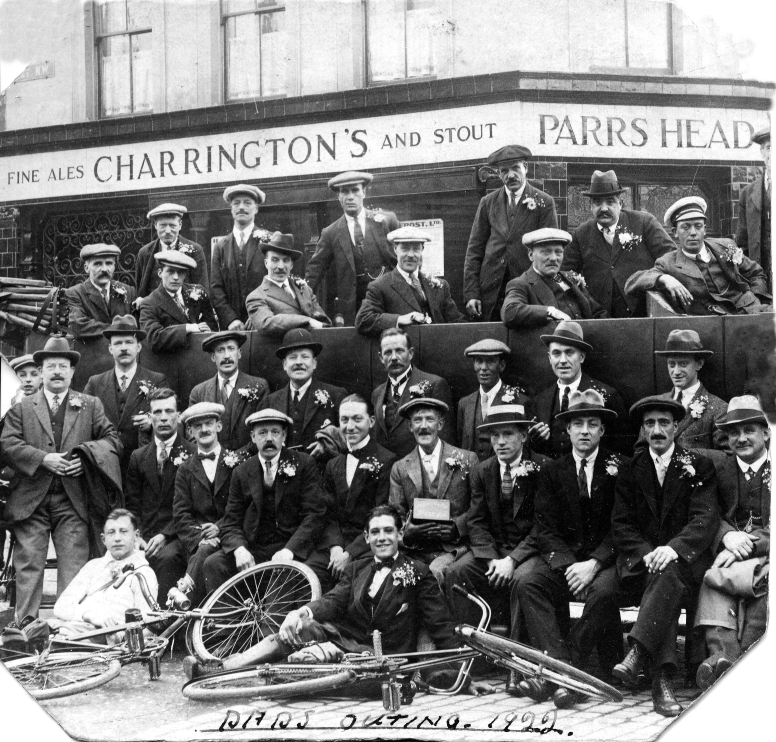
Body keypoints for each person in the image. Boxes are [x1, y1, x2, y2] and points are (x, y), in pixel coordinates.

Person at [184, 505, 460, 679]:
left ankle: (284, 672)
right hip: (344, 637)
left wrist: (463, 675)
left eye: (389, 531)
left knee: (315, 664)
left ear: (400, 535)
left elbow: (440, 624)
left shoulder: (418, 571)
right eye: (375, 532)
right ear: (366, 538)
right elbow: (334, 600)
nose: (382, 538)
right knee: (290, 631)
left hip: (382, 654)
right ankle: (219, 669)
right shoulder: (357, 568)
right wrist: (301, 612)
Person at [515, 390, 627, 708]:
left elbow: (624, 527)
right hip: (566, 563)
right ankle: (560, 671)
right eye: (577, 424)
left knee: (604, 593)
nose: (585, 431)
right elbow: (544, 528)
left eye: (593, 424)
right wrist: (568, 566)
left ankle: (565, 673)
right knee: (528, 582)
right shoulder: (553, 471)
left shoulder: (621, 468)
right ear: (567, 430)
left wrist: (593, 564)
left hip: (605, 563)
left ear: (603, 430)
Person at [611, 396, 719, 717]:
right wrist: (649, 555)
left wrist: (672, 549)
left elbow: (705, 518)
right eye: (649, 424)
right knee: (665, 576)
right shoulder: (630, 470)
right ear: (643, 430)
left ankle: (640, 655)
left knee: (669, 574)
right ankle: (662, 682)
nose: (657, 430)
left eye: (663, 423)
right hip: (641, 564)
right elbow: (622, 524)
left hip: (683, 561)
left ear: (675, 427)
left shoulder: (699, 465)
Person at [0, 336, 120, 622]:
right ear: (40, 371)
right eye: (50, 365)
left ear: (72, 372)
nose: (56, 371)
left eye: (62, 366)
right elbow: (8, 443)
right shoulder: (22, 407)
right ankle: (25, 628)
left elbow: (112, 440)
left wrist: (86, 457)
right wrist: (43, 458)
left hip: (73, 499)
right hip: (31, 500)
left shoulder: (90, 405)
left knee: (75, 566)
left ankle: (70, 629)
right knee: (29, 563)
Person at [445, 404, 549, 695]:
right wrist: (490, 557)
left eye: (508, 434)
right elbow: (476, 520)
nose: (500, 442)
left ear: (524, 436)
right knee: (457, 572)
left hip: (530, 551)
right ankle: (472, 658)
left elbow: (544, 526)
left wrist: (512, 560)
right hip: (495, 550)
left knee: (522, 581)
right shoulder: (483, 470)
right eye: (494, 436)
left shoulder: (544, 468)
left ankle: (517, 665)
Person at [202, 408, 332, 593]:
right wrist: (239, 549)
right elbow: (231, 521)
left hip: (289, 546)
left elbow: (315, 515)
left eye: (275, 432)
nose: (269, 438)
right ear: (253, 437)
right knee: (214, 563)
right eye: (262, 433)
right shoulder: (241, 471)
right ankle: (228, 620)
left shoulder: (303, 464)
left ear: (284, 435)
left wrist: (290, 550)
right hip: (254, 547)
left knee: (281, 583)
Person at [694, 395, 770, 691]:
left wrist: (748, 543)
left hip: (765, 553)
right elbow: (704, 512)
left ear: (766, 432)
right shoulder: (717, 468)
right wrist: (726, 535)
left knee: (765, 589)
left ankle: (729, 668)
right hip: (727, 554)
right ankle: (725, 661)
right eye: (733, 432)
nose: (741, 438)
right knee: (712, 582)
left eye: (749, 430)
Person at [625, 196, 771, 316]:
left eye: (698, 226)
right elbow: (631, 282)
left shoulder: (726, 247)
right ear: (675, 232)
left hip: (753, 311)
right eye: (685, 227)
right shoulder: (668, 263)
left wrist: (757, 298)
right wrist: (663, 278)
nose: (693, 232)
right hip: (712, 324)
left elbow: (757, 273)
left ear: (705, 230)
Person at [463, 144, 557, 322]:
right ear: (498, 174)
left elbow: (550, 252)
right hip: (491, 292)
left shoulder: (544, 202)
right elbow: (474, 251)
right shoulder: (487, 203)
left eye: (515, 168)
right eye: (504, 171)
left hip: (528, 290)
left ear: (526, 168)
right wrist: (471, 293)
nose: (511, 175)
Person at [389, 397, 477, 585]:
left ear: (441, 424)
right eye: (417, 420)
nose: (423, 426)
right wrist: (407, 531)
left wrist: (456, 527)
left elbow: (479, 508)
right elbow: (396, 515)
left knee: (435, 572)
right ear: (410, 427)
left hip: (454, 549)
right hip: (415, 550)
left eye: (429, 419)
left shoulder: (467, 459)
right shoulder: (400, 468)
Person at [562, 170, 675, 317]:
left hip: (643, 312)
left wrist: (659, 279)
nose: (603, 208)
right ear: (590, 206)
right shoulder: (580, 234)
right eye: (597, 203)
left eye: (610, 202)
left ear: (620, 203)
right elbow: (565, 273)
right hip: (599, 316)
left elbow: (671, 258)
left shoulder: (643, 222)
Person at [317, 394, 397, 586]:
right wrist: (336, 548)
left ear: (371, 421)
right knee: (305, 574)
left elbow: (382, 515)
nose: (350, 426)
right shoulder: (333, 464)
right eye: (344, 420)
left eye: (357, 419)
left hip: (368, 547)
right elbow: (329, 513)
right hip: (334, 546)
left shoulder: (387, 460)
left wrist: (350, 553)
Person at [125, 388, 195, 605]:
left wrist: (165, 535)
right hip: (146, 535)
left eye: (168, 411)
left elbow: (194, 506)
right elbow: (132, 505)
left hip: (178, 535)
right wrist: (137, 537)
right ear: (150, 417)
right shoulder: (138, 457)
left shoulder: (192, 453)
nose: (163, 417)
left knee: (166, 559)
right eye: (157, 412)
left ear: (178, 415)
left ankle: (163, 625)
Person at [173, 402, 246, 607]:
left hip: (233, 533)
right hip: (200, 541)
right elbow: (181, 513)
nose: (204, 429)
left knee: (208, 558)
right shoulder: (185, 469)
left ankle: (182, 598)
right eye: (198, 426)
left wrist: (219, 529)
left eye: (209, 424)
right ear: (190, 432)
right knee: (203, 553)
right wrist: (201, 539)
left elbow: (242, 507)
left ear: (219, 426)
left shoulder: (236, 462)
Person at [48, 510, 158, 644]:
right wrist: (90, 615)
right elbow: (61, 606)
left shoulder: (143, 573)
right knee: (37, 629)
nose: (117, 538)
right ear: (103, 539)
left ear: (136, 536)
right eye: (111, 532)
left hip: (107, 637)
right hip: (75, 626)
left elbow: (146, 624)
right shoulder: (93, 566)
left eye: (123, 531)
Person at [305, 170, 400, 325]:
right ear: (338, 196)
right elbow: (315, 271)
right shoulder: (331, 232)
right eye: (344, 192)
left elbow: (406, 255)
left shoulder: (386, 221)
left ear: (364, 192)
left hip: (388, 301)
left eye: (355, 190)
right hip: (353, 309)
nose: (350, 197)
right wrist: (303, 302)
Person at [83, 315, 168, 482]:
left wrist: (152, 421)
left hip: (141, 470)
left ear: (138, 347)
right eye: (118, 343)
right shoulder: (95, 383)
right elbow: (81, 422)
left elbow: (170, 419)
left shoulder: (157, 380)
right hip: (104, 468)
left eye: (129, 342)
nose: (123, 348)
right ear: (110, 349)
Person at [531, 321, 630, 457]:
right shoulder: (540, 401)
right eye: (556, 353)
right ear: (549, 358)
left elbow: (623, 447)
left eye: (569, 352)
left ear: (581, 357)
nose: (563, 360)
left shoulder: (607, 395)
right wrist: (535, 441)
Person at [354, 227, 464, 336]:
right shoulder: (380, 286)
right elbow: (363, 320)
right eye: (405, 249)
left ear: (422, 250)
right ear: (395, 249)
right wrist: (401, 319)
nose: (411, 255)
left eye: (416, 249)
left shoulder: (440, 285)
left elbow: (456, 321)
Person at [371, 328, 455, 458]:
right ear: (381, 357)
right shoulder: (377, 393)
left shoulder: (434, 384)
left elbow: (446, 439)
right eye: (388, 353)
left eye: (399, 351)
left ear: (410, 353)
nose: (393, 357)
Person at [261, 328, 347, 457]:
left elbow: (350, 432)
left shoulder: (336, 395)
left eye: (305, 357)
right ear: (284, 364)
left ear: (314, 363)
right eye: (293, 357)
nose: (299, 362)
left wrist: (328, 443)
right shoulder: (271, 401)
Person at [501, 228, 607, 328]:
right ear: (531, 255)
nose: (553, 258)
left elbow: (598, 313)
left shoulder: (571, 278)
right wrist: (551, 312)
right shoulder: (521, 284)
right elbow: (510, 312)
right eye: (546, 252)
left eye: (558, 252)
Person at [188, 330, 269, 452]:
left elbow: (263, 432)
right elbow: (193, 436)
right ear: (213, 357)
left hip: (247, 464)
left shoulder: (258, 387)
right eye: (220, 350)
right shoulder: (199, 392)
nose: (226, 356)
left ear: (239, 353)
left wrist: (236, 458)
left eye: (231, 349)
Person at [457, 339, 532, 461]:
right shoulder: (464, 404)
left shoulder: (520, 401)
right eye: (479, 361)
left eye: (490, 362)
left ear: (501, 366)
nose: (483, 368)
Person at [652, 329, 727, 450]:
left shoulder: (719, 410)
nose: (676, 372)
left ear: (699, 364)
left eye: (683, 364)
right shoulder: (655, 405)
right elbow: (641, 451)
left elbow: (725, 458)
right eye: (671, 364)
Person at [245, 231, 331, 336]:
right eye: (275, 260)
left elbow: (324, 322)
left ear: (291, 265)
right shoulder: (256, 297)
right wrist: (308, 321)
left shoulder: (305, 289)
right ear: (266, 263)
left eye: (286, 260)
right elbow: (266, 323)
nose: (281, 266)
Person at [211, 183, 271, 331]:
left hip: (265, 322)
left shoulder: (269, 241)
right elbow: (216, 289)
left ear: (256, 208)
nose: (241, 207)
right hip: (232, 328)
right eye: (236, 203)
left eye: (247, 203)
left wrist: (259, 314)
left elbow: (276, 282)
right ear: (231, 209)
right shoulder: (220, 247)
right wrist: (230, 319)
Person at [139, 249, 219, 353]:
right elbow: (154, 339)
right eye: (170, 271)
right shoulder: (149, 303)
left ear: (185, 275)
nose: (176, 277)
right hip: (171, 363)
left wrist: (208, 332)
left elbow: (214, 330)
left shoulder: (198, 292)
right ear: (160, 273)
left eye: (180, 272)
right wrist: (189, 328)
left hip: (199, 358)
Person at [134, 203, 209, 305]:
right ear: (155, 225)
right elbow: (139, 289)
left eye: (172, 225)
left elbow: (202, 290)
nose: (168, 231)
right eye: (163, 226)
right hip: (153, 314)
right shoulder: (144, 253)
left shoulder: (195, 251)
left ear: (180, 225)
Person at [65, 244, 136, 340]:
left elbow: (137, 326)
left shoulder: (128, 291)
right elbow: (78, 327)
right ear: (86, 268)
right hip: (94, 353)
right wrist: (118, 329)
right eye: (97, 264)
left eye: (109, 263)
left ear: (114, 266)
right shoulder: (75, 293)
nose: (104, 269)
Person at [736, 127, 771, 290]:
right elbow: (742, 244)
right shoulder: (748, 193)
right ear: (762, 152)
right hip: (761, 280)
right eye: (770, 147)